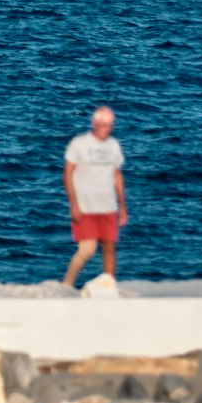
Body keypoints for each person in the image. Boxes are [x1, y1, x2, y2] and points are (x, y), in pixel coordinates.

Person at [62, 105, 128, 286]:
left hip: (107, 206)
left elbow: (117, 175)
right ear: (94, 123)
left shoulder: (113, 145)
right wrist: (73, 204)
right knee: (87, 249)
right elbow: (67, 174)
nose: (107, 129)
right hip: (85, 206)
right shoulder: (79, 144)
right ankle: (66, 285)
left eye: (110, 125)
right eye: (104, 125)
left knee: (109, 248)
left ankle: (110, 288)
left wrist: (122, 206)